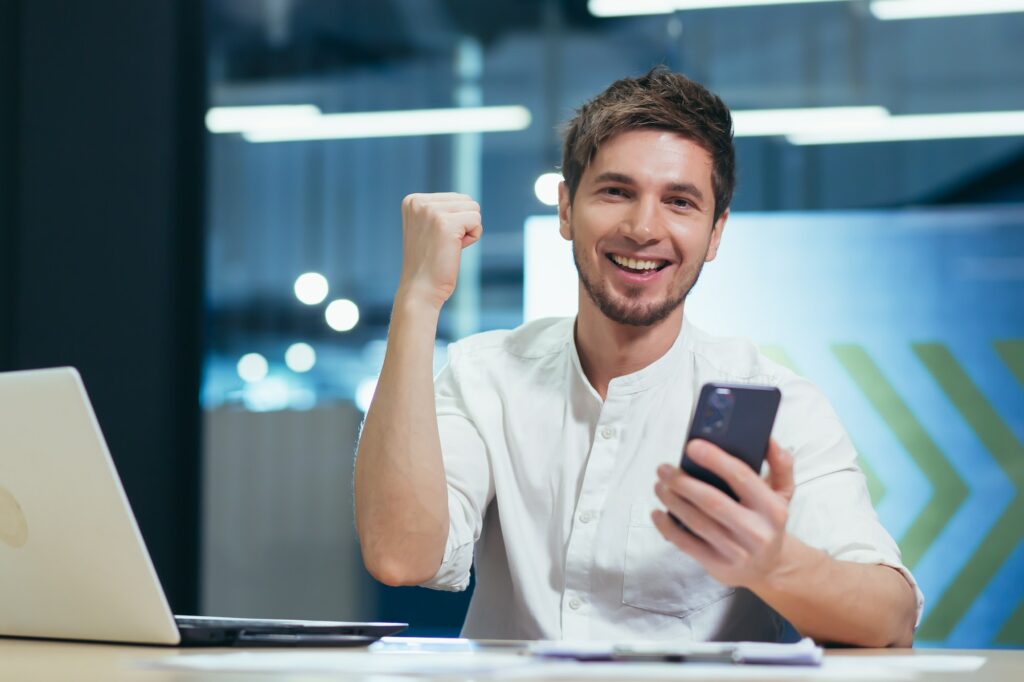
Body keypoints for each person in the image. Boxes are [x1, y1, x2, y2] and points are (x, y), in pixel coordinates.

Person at [354, 67, 922, 646]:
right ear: (567, 210)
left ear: (716, 232)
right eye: (616, 191)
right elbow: (402, 556)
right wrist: (419, 300)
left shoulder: (776, 403)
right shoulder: (486, 374)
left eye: (679, 201)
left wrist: (772, 563)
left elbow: (890, 619)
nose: (644, 227)